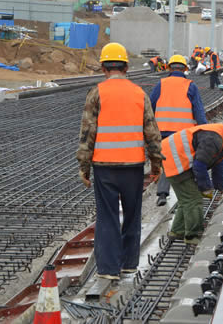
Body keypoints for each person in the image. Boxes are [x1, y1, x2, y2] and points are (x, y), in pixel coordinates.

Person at [76, 43, 163, 280]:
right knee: (133, 216)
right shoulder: (139, 94)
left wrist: (84, 167)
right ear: (125, 67)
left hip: (104, 167)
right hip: (133, 167)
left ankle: (108, 269)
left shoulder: (96, 93)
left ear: (104, 67)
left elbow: (87, 133)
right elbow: (152, 133)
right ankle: (128, 265)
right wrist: (156, 165)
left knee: (108, 216)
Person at [161, 120, 223, 244]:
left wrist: (221, 187)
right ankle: (192, 236)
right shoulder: (214, 139)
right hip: (173, 159)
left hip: (176, 158)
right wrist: (206, 188)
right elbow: (199, 165)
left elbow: (218, 162)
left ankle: (177, 231)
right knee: (193, 199)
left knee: (186, 198)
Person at [150, 55, 208, 207]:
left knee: (166, 161)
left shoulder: (161, 84)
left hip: (162, 132)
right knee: (185, 163)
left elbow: (150, 106)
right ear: (185, 69)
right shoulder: (190, 86)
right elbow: (199, 112)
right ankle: (187, 195)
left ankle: (163, 193)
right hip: (183, 134)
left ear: (169, 68)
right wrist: (204, 129)